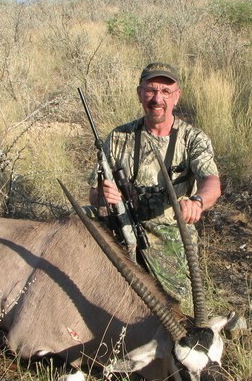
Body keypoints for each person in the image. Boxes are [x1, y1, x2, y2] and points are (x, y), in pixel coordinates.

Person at [88, 62, 221, 311]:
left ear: (176, 96)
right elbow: (94, 193)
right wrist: (104, 196)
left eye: (165, 92)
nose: (157, 99)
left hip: (170, 235)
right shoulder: (118, 137)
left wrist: (197, 202)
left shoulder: (194, 139)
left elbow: (211, 183)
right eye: (150, 90)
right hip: (121, 228)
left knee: (179, 311)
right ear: (140, 93)